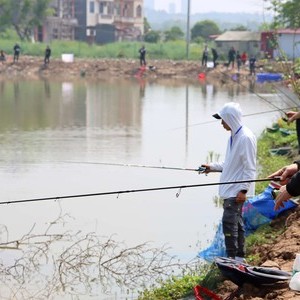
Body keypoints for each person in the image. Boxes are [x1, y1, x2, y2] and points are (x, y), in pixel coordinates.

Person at [199, 102, 257, 260]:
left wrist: (243, 190)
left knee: (229, 224)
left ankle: (233, 258)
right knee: (236, 224)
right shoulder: (233, 137)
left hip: (236, 191)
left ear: (230, 118)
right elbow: (229, 164)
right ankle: (239, 257)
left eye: (223, 119)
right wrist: (211, 167)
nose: (221, 123)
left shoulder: (245, 137)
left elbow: (250, 167)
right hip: (232, 190)